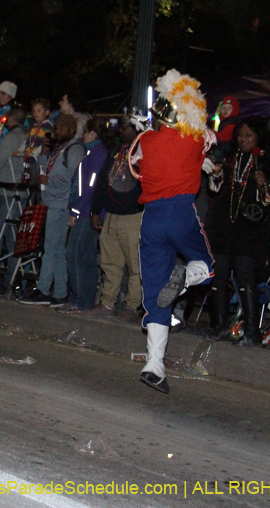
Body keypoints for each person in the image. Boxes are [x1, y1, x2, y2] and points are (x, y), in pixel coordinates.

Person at [130, 69, 215, 393]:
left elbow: (136, 162)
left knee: (153, 296)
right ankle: (184, 278)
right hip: (180, 212)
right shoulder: (193, 139)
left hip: (150, 219)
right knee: (206, 264)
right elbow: (207, 136)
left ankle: (154, 365)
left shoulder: (146, 141)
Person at [205, 119, 270, 344]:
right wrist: (217, 174)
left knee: (245, 277)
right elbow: (214, 191)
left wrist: (264, 184)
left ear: (258, 137)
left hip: (249, 230)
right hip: (222, 226)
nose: (244, 140)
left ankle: (252, 329)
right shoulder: (229, 160)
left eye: (249, 135)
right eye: (240, 135)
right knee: (218, 276)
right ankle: (218, 324)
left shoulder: (269, 163)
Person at [17, 114, 85, 307]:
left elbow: (74, 177)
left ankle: (44, 289)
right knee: (56, 250)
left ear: (71, 130)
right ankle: (60, 292)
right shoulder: (61, 148)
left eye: (62, 129)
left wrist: (50, 181)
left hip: (62, 204)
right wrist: (45, 153)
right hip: (53, 202)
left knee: (51, 249)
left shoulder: (74, 149)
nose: (58, 132)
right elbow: (47, 167)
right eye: (58, 128)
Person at [90, 114, 146, 321]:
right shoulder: (117, 150)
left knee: (135, 265)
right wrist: (96, 210)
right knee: (110, 263)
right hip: (112, 215)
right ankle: (107, 303)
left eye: (125, 127)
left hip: (133, 217)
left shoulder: (143, 151)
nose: (122, 131)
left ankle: (132, 307)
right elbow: (103, 182)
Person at [61, 119, 110, 313]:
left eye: (86, 132)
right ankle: (83, 298)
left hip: (87, 211)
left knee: (75, 252)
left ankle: (80, 299)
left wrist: (76, 211)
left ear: (94, 134)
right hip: (88, 210)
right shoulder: (92, 153)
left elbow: (90, 187)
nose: (83, 136)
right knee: (85, 254)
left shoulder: (97, 155)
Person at [0, 106, 28, 294]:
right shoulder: (30, 134)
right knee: (13, 239)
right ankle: (11, 281)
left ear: (9, 119)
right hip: (22, 193)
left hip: (7, 191)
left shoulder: (12, 137)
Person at [22, 98, 54, 183]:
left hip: (38, 160)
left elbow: (45, 144)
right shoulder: (33, 126)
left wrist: (34, 153)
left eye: (39, 111)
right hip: (28, 158)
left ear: (47, 112)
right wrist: (20, 150)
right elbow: (27, 140)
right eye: (33, 111)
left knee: (34, 181)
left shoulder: (48, 127)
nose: (35, 113)